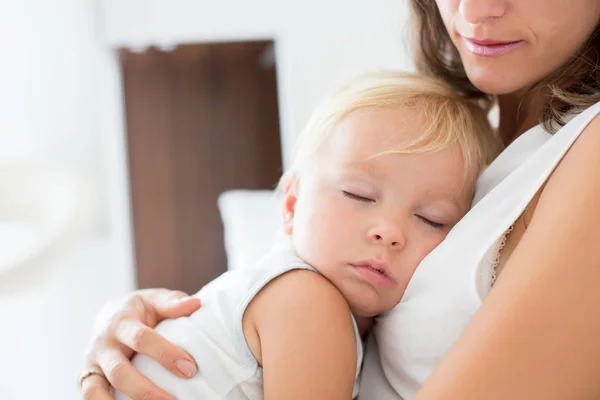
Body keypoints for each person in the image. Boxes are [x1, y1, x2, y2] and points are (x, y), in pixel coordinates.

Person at [80, 1, 600, 399]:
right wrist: (154, 327)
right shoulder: (459, 153)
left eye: (430, 219)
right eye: (357, 194)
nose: (473, 10)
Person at [113, 71, 498, 400]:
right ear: (292, 205)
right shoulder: (307, 300)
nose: (389, 232)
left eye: (431, 219)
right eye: (358, 195)